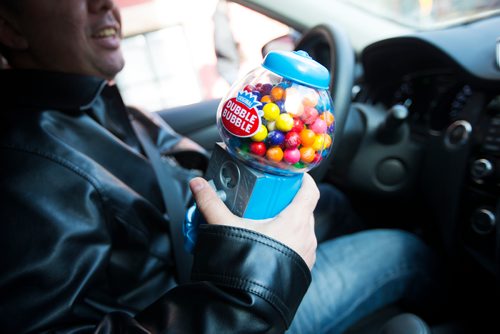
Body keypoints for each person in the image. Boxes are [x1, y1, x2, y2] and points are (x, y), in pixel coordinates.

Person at [0, 0, 443, 333]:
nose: (105, 4)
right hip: (217, 301)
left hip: (211, 258)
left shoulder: (97, 104)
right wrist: (246, 291)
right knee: (404, 251)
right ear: (11, 28)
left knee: (338, 204)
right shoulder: (25, 169)